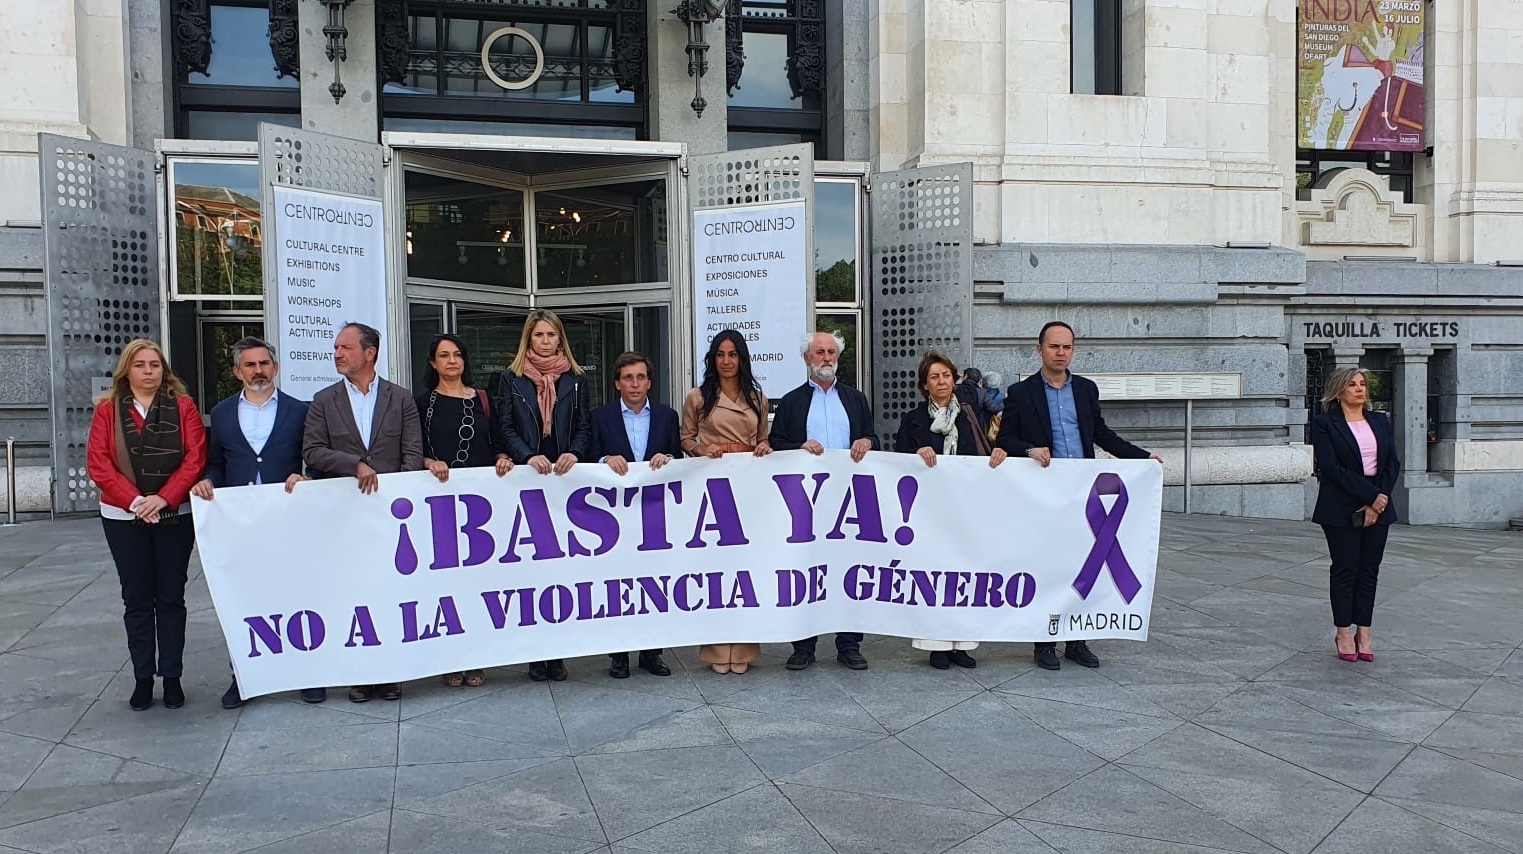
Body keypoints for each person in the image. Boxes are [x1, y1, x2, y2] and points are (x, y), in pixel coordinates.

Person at [996, 321, 1162, 672]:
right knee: (1048, 566)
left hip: (1083, 493)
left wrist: (1141, 457)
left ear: (1073, 350)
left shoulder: (1086, 390)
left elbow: (1101, 433)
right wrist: (1028, 449)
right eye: (1054, 347)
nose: (1060, 353)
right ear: (1039, 349)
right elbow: (1004, 440)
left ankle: (1077, 640)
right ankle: (1044, 643)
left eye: (1067, 347)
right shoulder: (1021, 393)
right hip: (1045, 495)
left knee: (1083, 567)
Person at [189, 337, 321, 709]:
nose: (259, 370)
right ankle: (243, 677)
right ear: (237, 372)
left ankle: (305, 674)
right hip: (241, 523)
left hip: (288, 519)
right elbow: (217, 461)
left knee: (297, 597)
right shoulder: (223, 412)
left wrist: (305, 474)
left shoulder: (301, 410)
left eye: (265, 363)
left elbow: (311, 455)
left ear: (275, 368)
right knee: (243, 600)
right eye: (250, 365)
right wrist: (209, 480)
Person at [303, 322, 424, 702]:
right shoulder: (324, 400)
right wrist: (353, 463)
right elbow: (312, 451)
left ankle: (389, 672)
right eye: (336, 348)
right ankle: (360, 672)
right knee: (354, 594)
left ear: (369, 353)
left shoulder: (400, 398)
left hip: (391, 518)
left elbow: (412, 453)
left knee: (391, 593)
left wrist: (402, 500)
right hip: (345, 515)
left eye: (345, 347)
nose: (337, 354)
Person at [86, 339, 206, 712]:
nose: (149, 371)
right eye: (141, 365)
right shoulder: (107, 410)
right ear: (127, 370)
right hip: (124, 517)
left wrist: (164, 498)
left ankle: (172, 677)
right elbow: (99, 464)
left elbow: (195, 457)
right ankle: (142, 679)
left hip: (174, 515)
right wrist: (137, 502)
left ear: (164, 369)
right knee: (136, 599)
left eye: (155, 364)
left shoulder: (183, 407)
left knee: (171, 597)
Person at [770, 330, 878, 671]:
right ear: (806, 358)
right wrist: (798, 447)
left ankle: (849, 643)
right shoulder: (791, 402)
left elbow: (872, 435)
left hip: (849, 500)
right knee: (806, 567)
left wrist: (867, 442)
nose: (826, 357)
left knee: (850, 568)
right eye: (819, 352)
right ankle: (803, 644)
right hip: (806, 502)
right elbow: (776, 443)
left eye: (831, 352)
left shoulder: (856, 399)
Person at [896, 351, 1009, 668]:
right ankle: (937, 646)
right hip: (930, 513)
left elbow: (994, 446)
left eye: (946, 375)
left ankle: (962, 644)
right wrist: (917, 451)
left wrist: (1002, 451)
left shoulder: (972, 416)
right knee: (934, 576)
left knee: (964, 574)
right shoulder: (912, 420)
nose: (942, 381)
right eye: (934, 377)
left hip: (965, 510)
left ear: (955, 379)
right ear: (924, 386)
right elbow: (899, 461)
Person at [495, 309, 591, 683]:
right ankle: (536, 654)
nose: (546, 341)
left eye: (552, 335)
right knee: (531, 572)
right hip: (528, 480)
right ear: (528, 340)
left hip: (565, 483)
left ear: (560, 339)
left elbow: (584, 425)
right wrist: (525, 455)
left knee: (563, 571)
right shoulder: (511, 379)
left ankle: (559, 652)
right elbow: (504, 425)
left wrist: (575, 453)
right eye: (539, 335)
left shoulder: (577, 379)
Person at [416, 333, 513, 688]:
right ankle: (450, 657)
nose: (452, 361)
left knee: (480, 582)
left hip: (482, 509)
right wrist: (428, 461)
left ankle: (477, 656)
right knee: (446, 584)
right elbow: (415, 449)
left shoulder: (485, 400)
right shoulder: (422, 403)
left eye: (457, 354)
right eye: (444, 355)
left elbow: (499, 441)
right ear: (433, 363)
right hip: (442, 505)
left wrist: (503, 457)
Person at [681, 331, 773, 674]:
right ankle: (718, 649)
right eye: (720, 354)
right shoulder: (698, 396)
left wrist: (764, 448)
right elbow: (686, 437)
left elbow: (763, 437)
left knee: (747, 566)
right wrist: (701, 448)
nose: (726, 361)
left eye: (733, 354)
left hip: (749, 484)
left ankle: (745, 647)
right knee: (718, 568)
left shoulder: (757, 396)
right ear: (713, 359)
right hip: (714, 483)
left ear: (742, 358)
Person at [592, 351, 682, 679]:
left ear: (649, 382)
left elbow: (679, 458)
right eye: (628, 377)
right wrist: (605, 459)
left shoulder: (666, 416)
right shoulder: (599, 417)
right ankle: (619, 655)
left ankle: (652, 653)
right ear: (617, 382)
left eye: (641, 377)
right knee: (618, 583)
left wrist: (669, 457)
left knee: (655, 583)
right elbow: (588, 458)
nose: (634, 383)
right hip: (613, 517)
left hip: (654, 515)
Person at [1310, 367, 1400, 663]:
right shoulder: (1325, 424)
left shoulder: (1379, 420)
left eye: (1362, 384)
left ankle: (1365, 631)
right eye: (1352, 384)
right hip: (1340, 506)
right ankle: (1343, 632)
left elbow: (1392, 464)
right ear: (1339, 391)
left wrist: (1378, 501)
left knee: (1369, 570)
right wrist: (1369, 496)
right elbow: (1331, 468)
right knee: (1346, 568)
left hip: (1379, 504)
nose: (1360, 389)